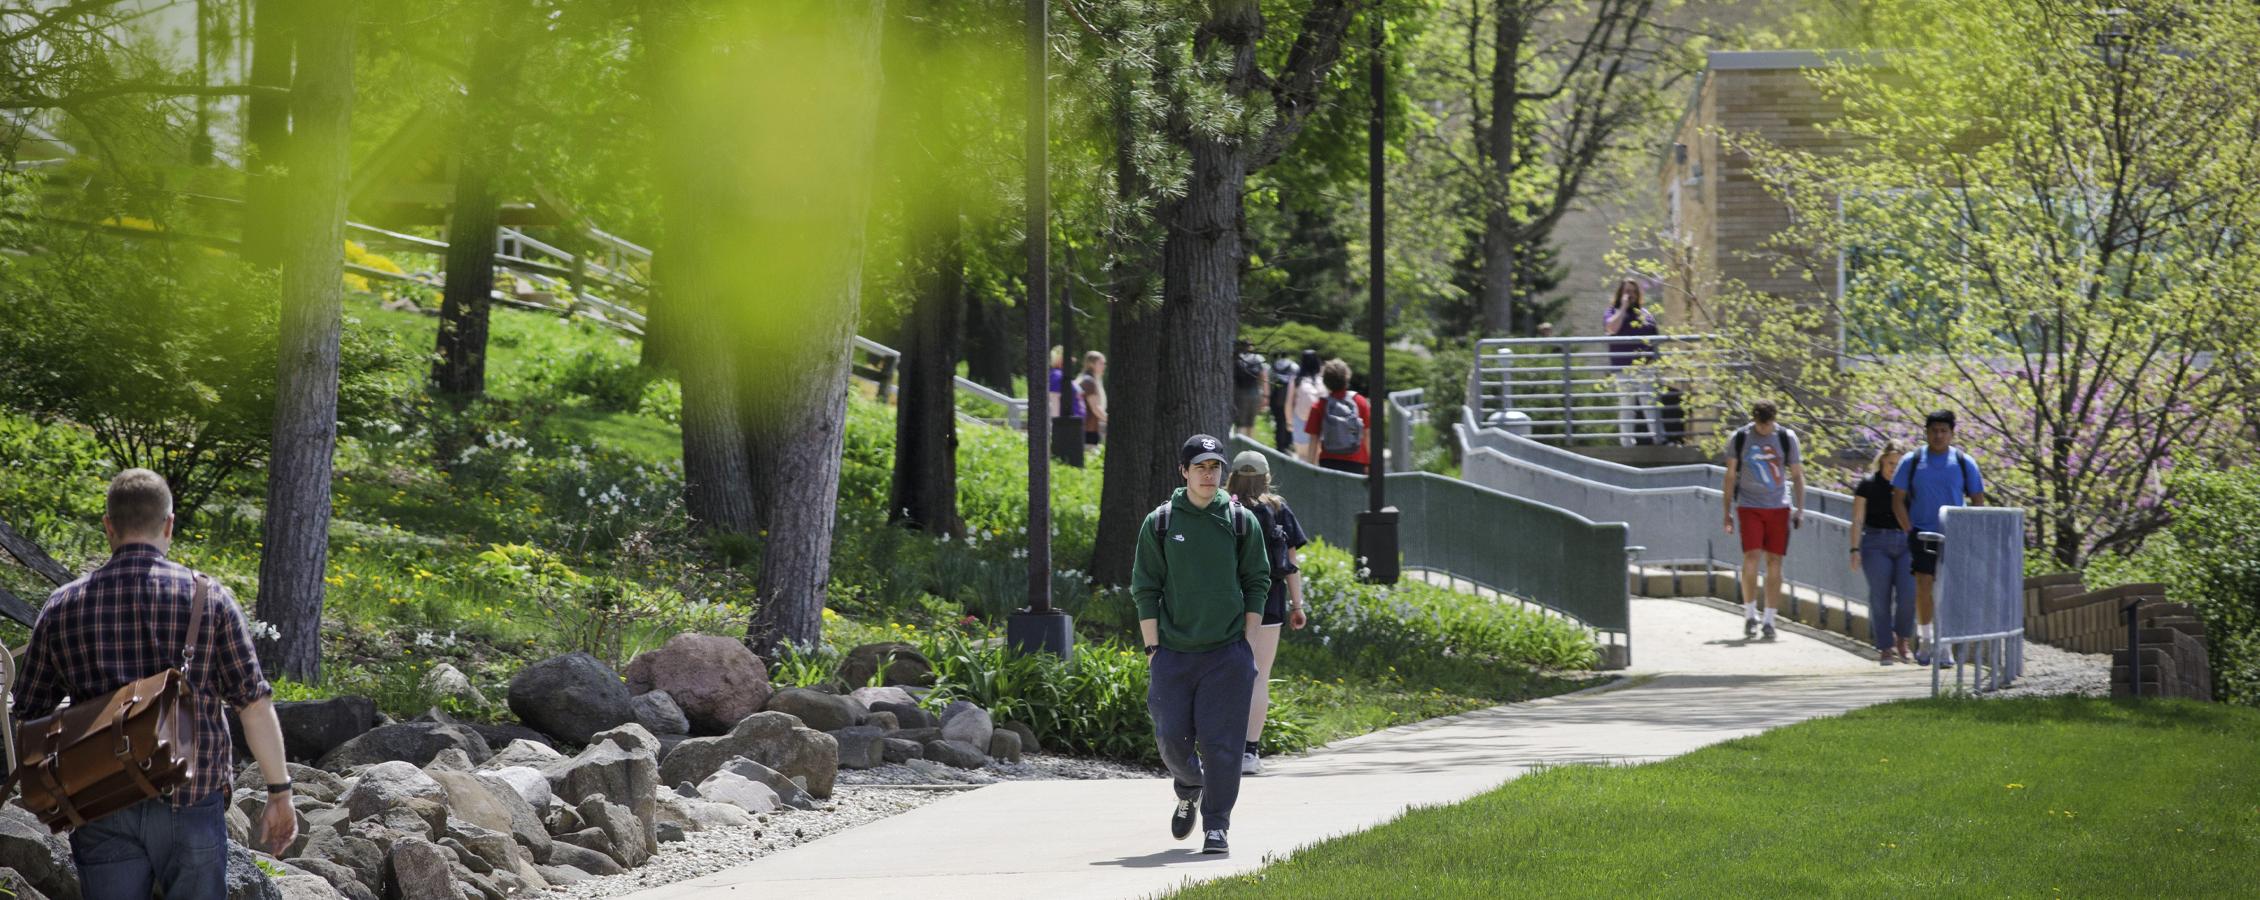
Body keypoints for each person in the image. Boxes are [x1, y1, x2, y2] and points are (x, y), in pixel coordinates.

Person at [11, 469, 297, 898]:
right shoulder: (209, 598)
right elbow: (253, 704)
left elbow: (29, 712)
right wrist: (279, 792)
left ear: (108, 525)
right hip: (191, 799)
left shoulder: (62, 605)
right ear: (169, 524)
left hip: (97, 802)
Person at [1132, 435, 1270, 856]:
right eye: (1201, 467)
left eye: (1215, 468)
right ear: (1184, 472)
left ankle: (1217, 825)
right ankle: (1189, 786)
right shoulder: (1161, 522)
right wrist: (1153, 648)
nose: (1209, 475)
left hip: (1226, 653)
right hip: (1173, 654)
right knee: (1172, 739)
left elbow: (1257, 581)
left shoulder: (1241, 520)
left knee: (1222, 744)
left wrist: (1245, 641)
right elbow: (1145, 588)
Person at [1226, 450, 1309, 776]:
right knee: (1258, 674)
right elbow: (1291, 563)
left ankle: (1224, 748)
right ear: (1266, 477)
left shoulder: (1225, 508)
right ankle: (1250, 752)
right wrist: (1297, 605)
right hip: (1269, 603)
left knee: (1224, 674)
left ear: (1232, 476)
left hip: (1229, 603)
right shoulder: (1278, 509)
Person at [1892, 410, 1987, 666]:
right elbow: (1897, 498)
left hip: (1955, 533)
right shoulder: (1912, 461)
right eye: (1934, 430)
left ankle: (1945, 646)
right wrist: (1908, 527)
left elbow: (1977, 499)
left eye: (1944, 430)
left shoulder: (1964, 462)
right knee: (1924, 585)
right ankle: (1925, 639)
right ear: (1927, 432)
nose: (1938, 435)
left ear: (1951, 433)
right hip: (1922, 532)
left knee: (1948, 590)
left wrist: (1970, 528)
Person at [1720, 400, 1806, 641]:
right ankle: (1749, 614)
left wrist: (1800, 508)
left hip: (1778, 505)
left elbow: (1798, 475)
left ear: (1774, 420)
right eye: (1760, 424)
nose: (1764, 429)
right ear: (1754, 420)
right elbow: (1729, 476)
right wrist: (1726, 511)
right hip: (1749, 505)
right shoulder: (1740, 437)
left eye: (1767, 425)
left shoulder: (1786, 437)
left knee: (1775, 561)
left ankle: (1769, 618)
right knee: (1751, 556)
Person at [1852, 440, 1916, 664]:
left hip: (1906, 543)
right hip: (1875, 542)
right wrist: (1854, 549)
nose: (1893, 468)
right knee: (1880, 597)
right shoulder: (1868, 485)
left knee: (1909, 595)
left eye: (1898, 465)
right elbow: (1858, 519)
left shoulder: (1909, 486)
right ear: (1881, 461)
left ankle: (1903, 638)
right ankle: (1885, 645)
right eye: (1890, 463)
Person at [1602, 279, 1664, 446]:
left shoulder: (1645, 314)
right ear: (1620, 294)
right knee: (1627, 405)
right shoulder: (1611, 312)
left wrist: (1655, 364)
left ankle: (1659, 439)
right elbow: (1611, 328)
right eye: (1626, 291)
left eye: (1633, 292)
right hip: (1623, 368)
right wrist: (1622, 307)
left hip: (1645, 367)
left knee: (1649, 403)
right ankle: (1627, 443)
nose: (1630, 295)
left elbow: (1655, 339)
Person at [1301, 359, 1372, 474]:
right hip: (1357, 461)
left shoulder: (1320, 405)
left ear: (1325, 381)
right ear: (1347, 377)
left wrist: (1310, 467)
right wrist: (1370, 463)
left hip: (1328, 461)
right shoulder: (1360, 402)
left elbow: (1314, 439)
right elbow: (1367, 435)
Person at [1285, 350, 1325, 460]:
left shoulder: (1297, 380)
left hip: (1300, 421)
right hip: (1318, 423)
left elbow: (1289, 402)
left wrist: (1289, 422)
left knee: (1302, 457)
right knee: (1316, 459)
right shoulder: (1322, 381)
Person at [1231, 339, 1268, 439]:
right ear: (1251, 346)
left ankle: (1239, 445)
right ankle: (1250, 446)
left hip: (1238, 394)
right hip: (1254, 393)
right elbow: (1264, 377)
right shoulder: (1259, 358)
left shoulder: (1235, 358)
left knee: (1240, 423)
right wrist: (1265, 396)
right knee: (1251, 423)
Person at [1075, 351, 1108, 446]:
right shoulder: (1089, 381)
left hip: (1087, 428)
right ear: (1091, 364)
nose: (1104, 366)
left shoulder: (1087, 379)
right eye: (1101, 363)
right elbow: (1096, 408)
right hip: (1089, 430)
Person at [1267, 357, 1298, 452]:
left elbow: (1269, 380)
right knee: (1287, 422)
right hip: (1287, 398)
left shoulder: (1274, 367)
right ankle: (1287, 444)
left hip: (1276, 398)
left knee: (1279, 422)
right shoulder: (1294, 366)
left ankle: (1279, 445)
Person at [1047, 345, 1084, 423]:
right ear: (1061, 359)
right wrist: (1057, 426)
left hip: (1075, 424)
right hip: (1068, 426)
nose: (1073, 360)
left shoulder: (1063, 375)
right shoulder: (1056, 376)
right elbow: (1055, 403)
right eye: (1070, 358)